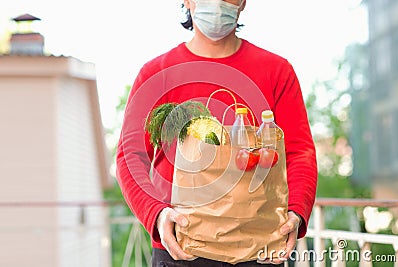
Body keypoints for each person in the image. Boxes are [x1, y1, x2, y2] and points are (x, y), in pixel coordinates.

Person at [116, 0, 317, 266]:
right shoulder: (158, 73)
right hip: (179, 248)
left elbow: (299, 151)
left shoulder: (277, 71)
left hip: (260, 248)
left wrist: (296, 213)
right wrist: (156, 214)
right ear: (188, 1)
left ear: (243, 2)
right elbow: (129, 156)